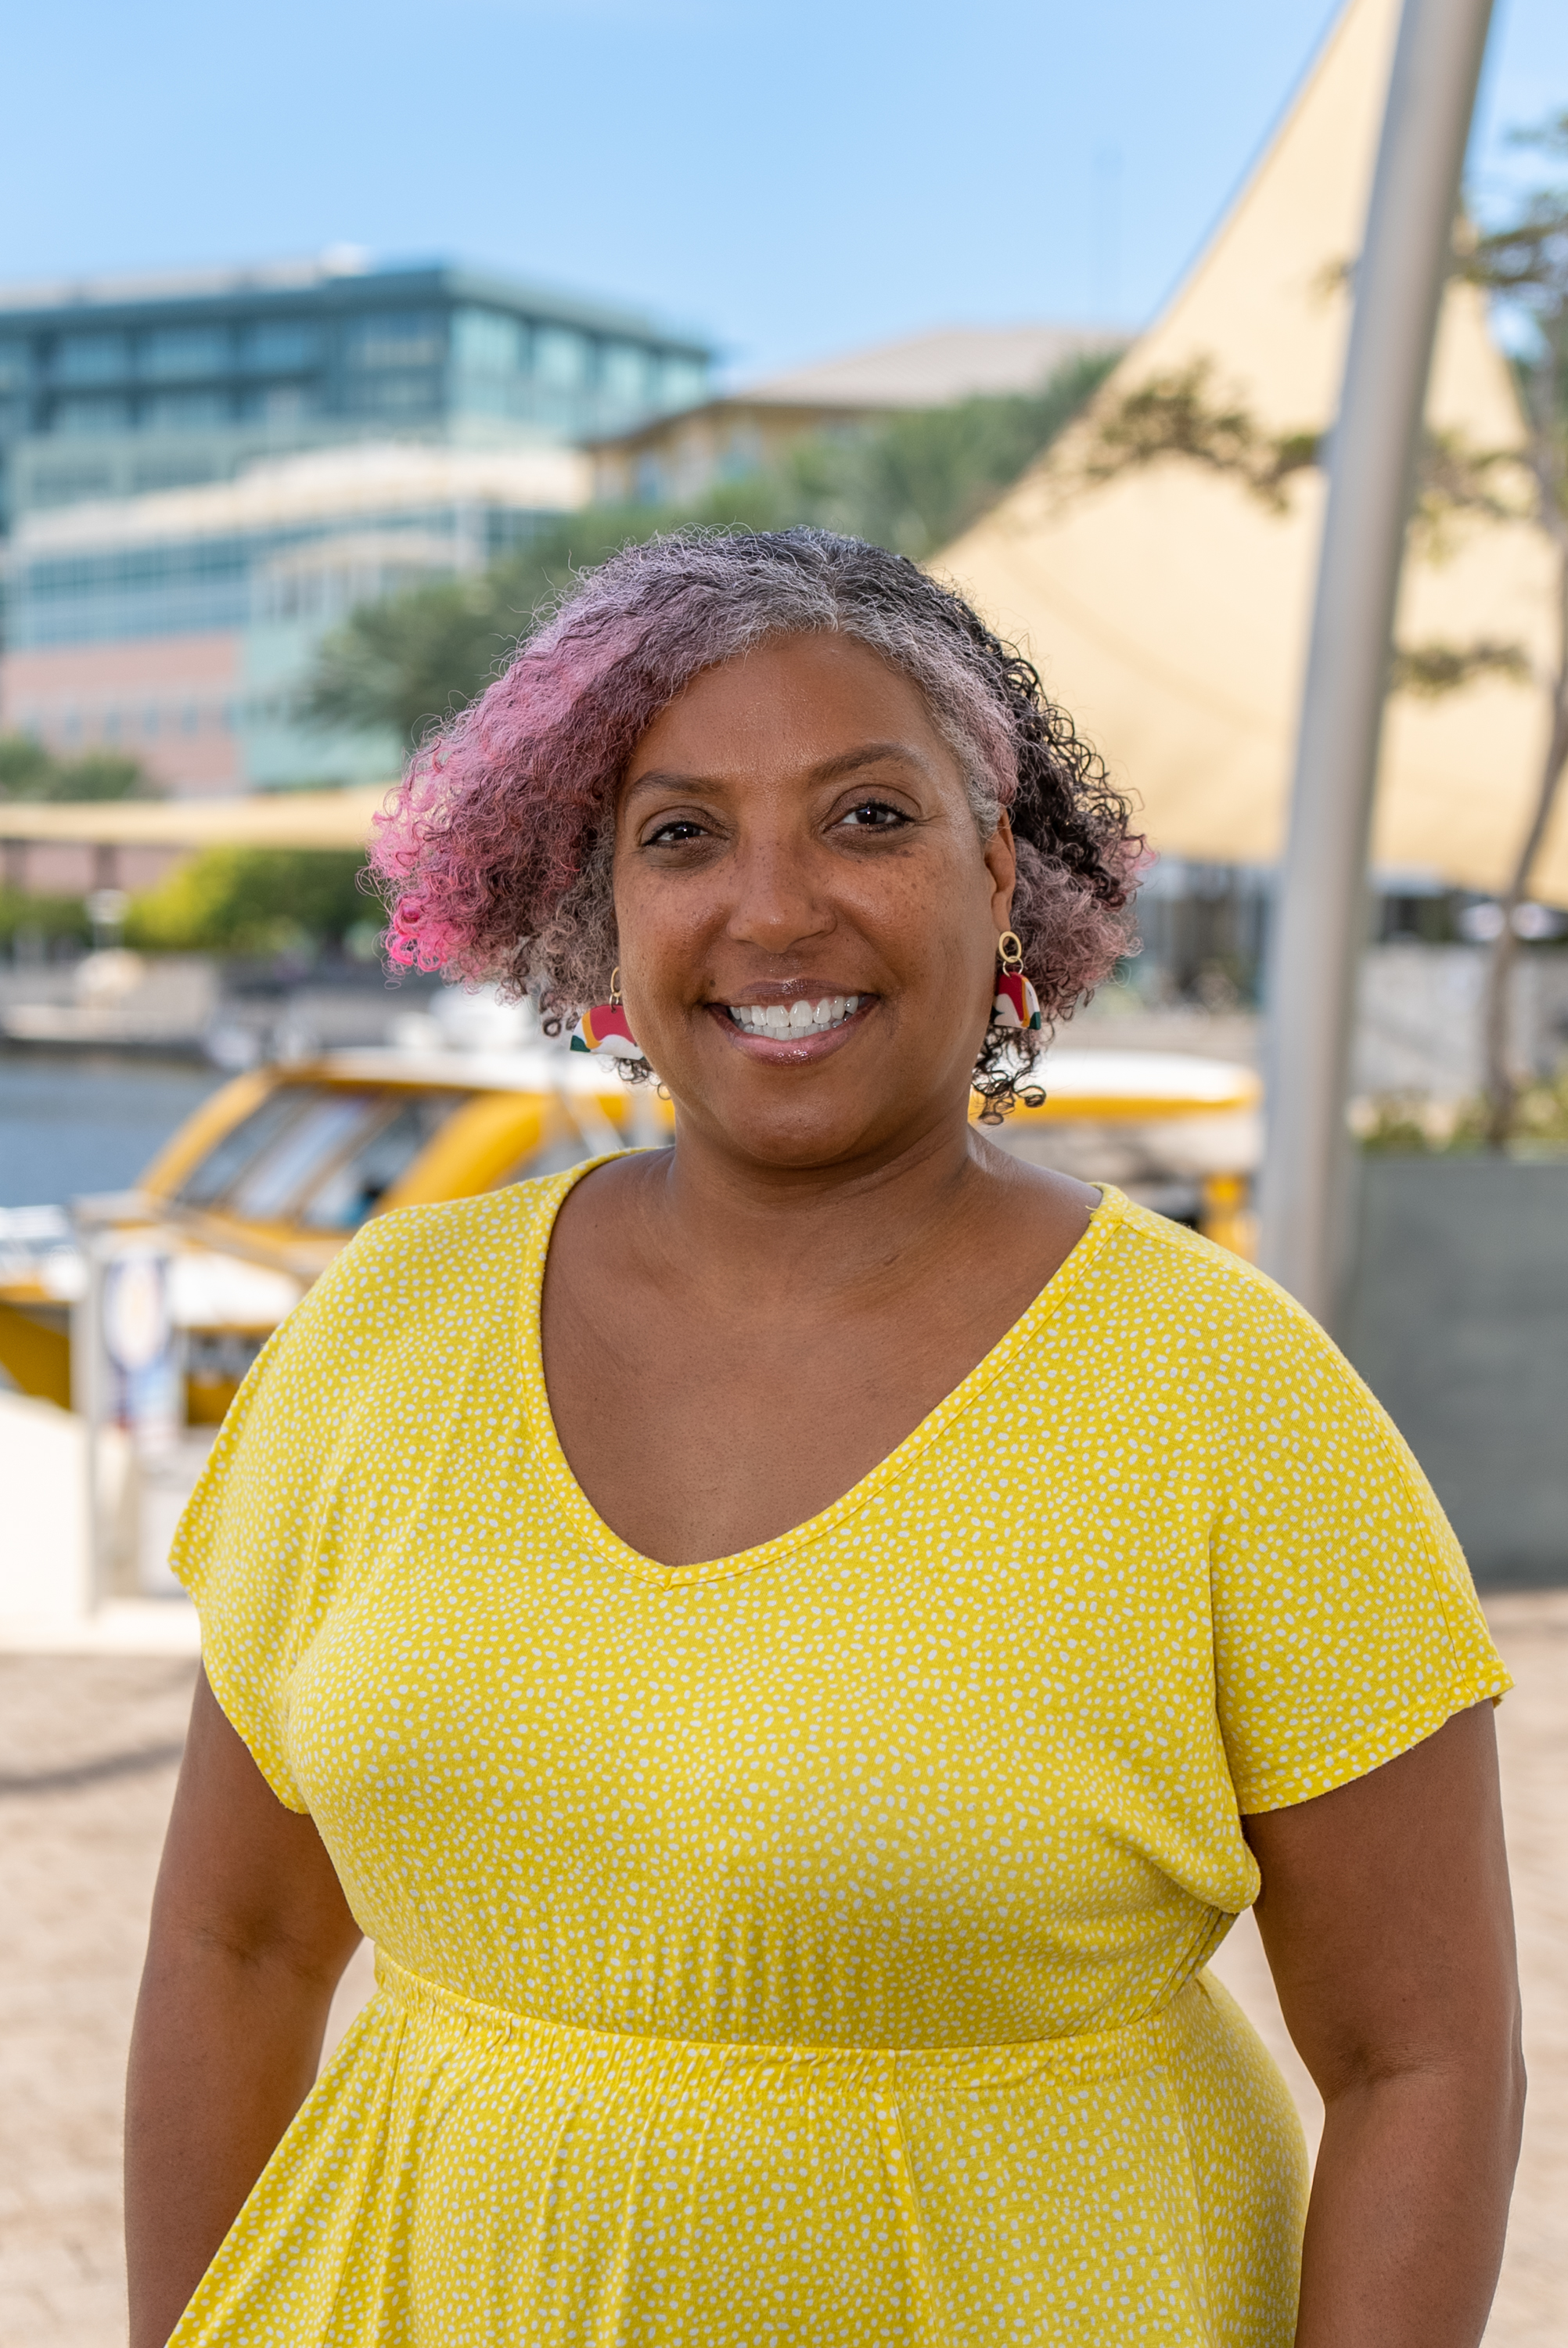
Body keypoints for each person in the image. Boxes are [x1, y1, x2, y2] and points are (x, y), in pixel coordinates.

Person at [126, 530, 1523, 2348]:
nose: (775, 909)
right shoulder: (386, 1329)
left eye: (869, 817)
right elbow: (232, 1951)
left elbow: (1428, 2058)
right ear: (599, 910)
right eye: (683, 833)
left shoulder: (1226, 1397)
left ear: (1002, 873)